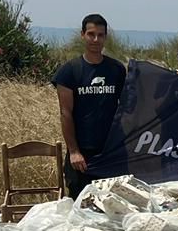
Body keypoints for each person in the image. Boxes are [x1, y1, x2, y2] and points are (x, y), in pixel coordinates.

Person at [52, 14, 128, 198]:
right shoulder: (69, 71)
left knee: (114, 206)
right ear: (83, 35)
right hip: (82, 155)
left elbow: (128, 106)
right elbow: (65, 113)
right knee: (80, 208)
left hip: (110, 152)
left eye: (100, 35)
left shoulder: (116, 70)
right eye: (91, 34)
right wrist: (74, 152)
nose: (96, 40)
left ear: (105, 38)